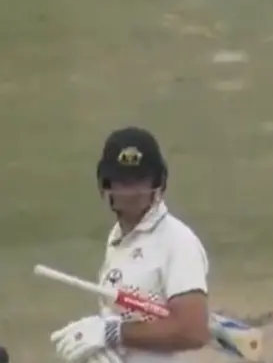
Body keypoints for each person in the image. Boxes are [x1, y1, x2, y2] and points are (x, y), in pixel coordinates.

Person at [50, 127, 211, 363]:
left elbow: (193, 332)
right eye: (122, 182)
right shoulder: (118, 237)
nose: (131, 192)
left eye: (140, 180)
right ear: (106, 184)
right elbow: (127, 318)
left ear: (158, 181)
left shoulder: (178, 242)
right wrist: (102, 341)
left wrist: (112, 333)